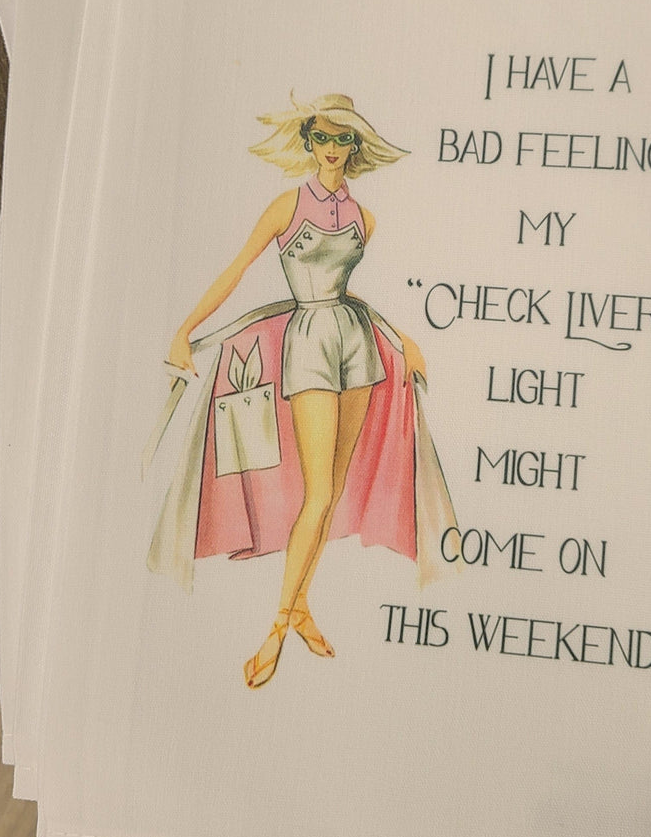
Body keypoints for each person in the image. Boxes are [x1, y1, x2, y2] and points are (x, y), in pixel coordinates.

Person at [156, 93, 448, 689]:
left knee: (332, 492)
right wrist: (184, 330)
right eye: (323, 137)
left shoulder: (365, 218)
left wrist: (403, 338)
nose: (332, 148)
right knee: (317, 495)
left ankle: (301, 606)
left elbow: (345, 291)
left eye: (343, 139)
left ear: (354, 146)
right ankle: (277, 627)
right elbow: (237, 269)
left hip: (356, 344)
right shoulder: (287, 206)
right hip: (310, 343)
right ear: (309, 141)